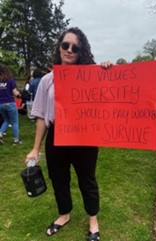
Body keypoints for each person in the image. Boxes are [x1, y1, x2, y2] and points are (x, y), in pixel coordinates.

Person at [25, 27, 112, 241]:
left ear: (81, 51)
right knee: (59, 179)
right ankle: (64, 214)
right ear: (60, 47)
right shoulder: (47, 80)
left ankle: (93, 219)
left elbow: (108, 96)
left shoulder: (92, 76)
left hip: (85, 136)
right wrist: (35, 148)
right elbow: (41, 117)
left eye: (75, 47)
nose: (70, 50)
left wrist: (106, 71)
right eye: (66, 45)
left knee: (87, 179)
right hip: (57, 136)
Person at [0, 63, 22, 144]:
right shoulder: (10, 81)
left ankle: (0, 134)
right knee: (15, 122)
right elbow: (15, 93)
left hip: (0, 104)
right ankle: (16, 140)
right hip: (10, 103)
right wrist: (20, 95)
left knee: (6, 120)